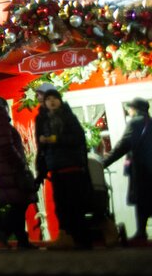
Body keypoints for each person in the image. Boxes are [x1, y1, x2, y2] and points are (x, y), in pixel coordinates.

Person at [35, 88, 93, 249]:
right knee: (61, 205)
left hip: (73, 167)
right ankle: (67, 237)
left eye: (55, 98)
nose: (51, 101)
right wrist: (42, 167)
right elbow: (42, 148)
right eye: (48, 99)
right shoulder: (43, 120)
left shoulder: (68, 117)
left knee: (76, 204)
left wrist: (56, 139)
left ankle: (82, 240)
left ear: (60, 101)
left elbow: (78, 138)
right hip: (56, 167)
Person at [0, 97, 36, 249]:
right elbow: (7, 147)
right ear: (4, 107)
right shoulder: (1, 123)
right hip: (11, 170)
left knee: (18, 203)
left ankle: (22, 240)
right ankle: (4, 230)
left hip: (3, 169)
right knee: (21, 204)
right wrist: (21, 164)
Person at [101, 97, 152, 242]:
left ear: (135, 109)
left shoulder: (135, 123)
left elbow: (123, 146)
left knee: (142, 201)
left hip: (143, 170)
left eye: (130, 108)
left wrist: (103, 163)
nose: (128, 111)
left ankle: (141, 233)